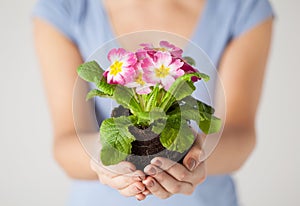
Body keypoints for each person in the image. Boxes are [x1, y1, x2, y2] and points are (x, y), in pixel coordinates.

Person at [32, 0, 274, 205]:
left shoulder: (243, 6)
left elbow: (240, 133)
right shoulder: (65, 6)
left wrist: (195, 155)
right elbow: (65, 142)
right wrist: (103, 155)